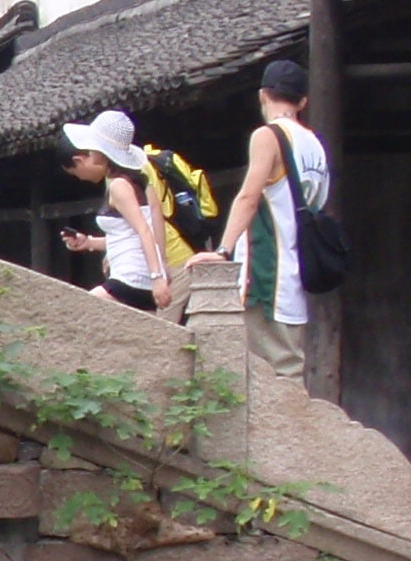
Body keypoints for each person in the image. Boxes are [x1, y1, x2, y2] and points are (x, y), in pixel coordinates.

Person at [195, 57, 328, 380]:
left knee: (268, 376)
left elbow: (249, 196)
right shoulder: (315, 145)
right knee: (289, 369)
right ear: (303, 101)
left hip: (266, 273)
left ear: (262, 95)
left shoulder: (268, 136)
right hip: (296, 274)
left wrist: (223, 251)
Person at [57, 113, 176, 314]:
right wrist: (89, 242)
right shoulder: (141, 181)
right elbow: (149, 224)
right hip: (140, 277)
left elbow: (144, 231)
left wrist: (158, 277)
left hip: (130, 278)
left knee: (78, 312)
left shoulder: (119, 185)